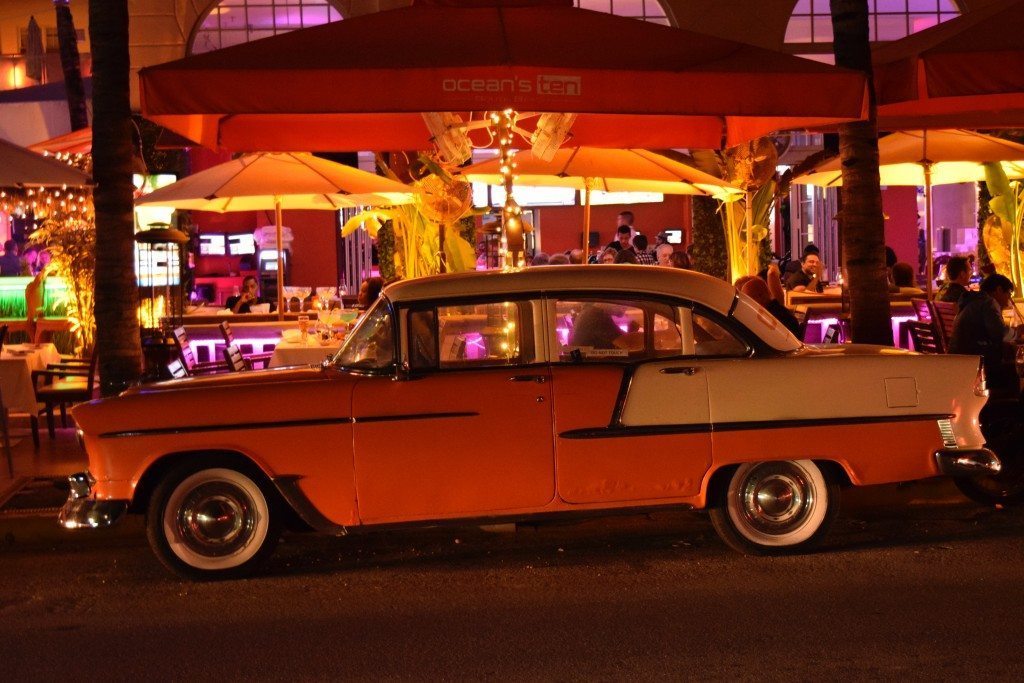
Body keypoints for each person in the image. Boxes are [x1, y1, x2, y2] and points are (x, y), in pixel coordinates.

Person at [949, 274, 1023, 397]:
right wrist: (1017, 333)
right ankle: (1009, 410)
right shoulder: (988, 302)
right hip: (977, 361)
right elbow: (1000, 333)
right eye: (1008, 294)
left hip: (962, 358)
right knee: (1015, 371)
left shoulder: (971, 301)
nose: (1008, 300)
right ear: (999, 290)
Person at [738, 264, 801, 338]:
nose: (745, 304)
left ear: (760, 296)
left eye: (747, 299)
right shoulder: (779, 311)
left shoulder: (768, 318)